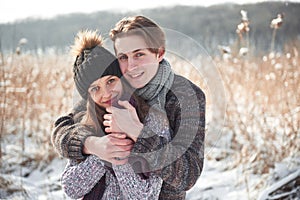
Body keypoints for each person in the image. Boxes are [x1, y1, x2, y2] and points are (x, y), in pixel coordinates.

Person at [52, 15, 206, 199]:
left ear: (159, 53)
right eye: (123, 57)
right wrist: (94, 145)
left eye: (139, 54)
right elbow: (63, 128)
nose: (131, 66)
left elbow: (188, 174)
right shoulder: (114, 88)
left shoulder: (186, 96)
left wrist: (137, 132)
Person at [60, 30, 167, 199]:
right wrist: (100, 150)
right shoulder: (86, 126)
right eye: (95, 89)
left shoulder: (152, 118)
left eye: (111, 81)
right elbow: (71, 188)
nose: (107, 93)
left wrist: (120, 139)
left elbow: (146, 195)